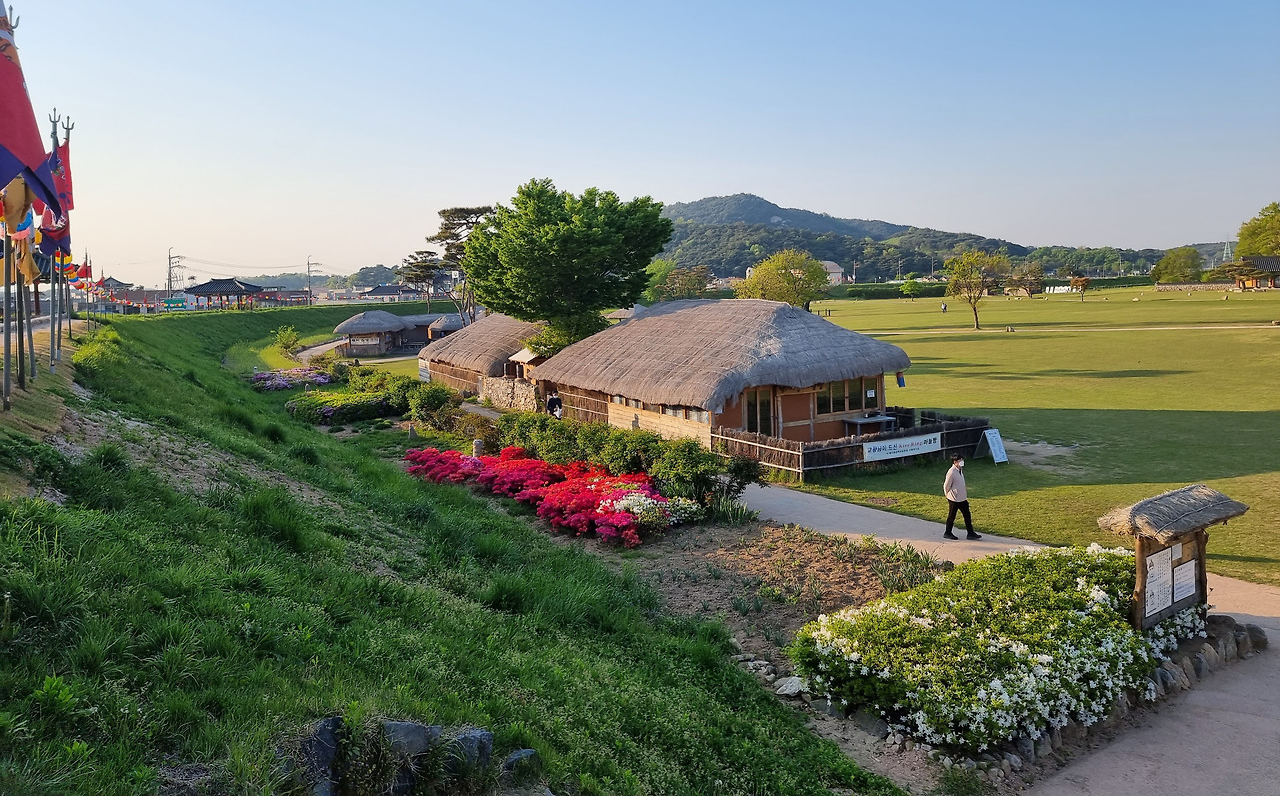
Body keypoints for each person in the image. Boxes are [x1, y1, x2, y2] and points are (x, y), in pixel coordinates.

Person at [942, 453, 981, 541]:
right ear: (955, 462)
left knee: (967, 515)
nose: (962, 462)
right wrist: (947, 495)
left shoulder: (960, 470)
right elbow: (946, 486)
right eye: (960, 461)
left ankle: (970, 533)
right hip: (954, 499)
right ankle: (947, 533)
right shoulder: (951, 472)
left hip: (962, 498)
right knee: (952, 516)